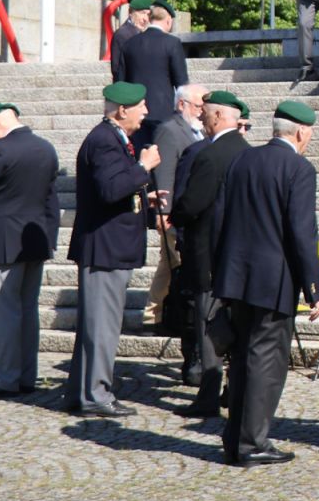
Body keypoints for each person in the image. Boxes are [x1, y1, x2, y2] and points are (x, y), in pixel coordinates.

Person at [210, 99, 319, 467]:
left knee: (243, 358)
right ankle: (251, 442)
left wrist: (220, 273)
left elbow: (219, 219)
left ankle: (235, 439)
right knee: (266, 364)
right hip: (273, 282)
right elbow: (302, 233)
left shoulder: (243, 160)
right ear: (301, 132)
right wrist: (315, 288)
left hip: (237, 278)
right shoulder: (299, 168)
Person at [65, 81, 162, 418]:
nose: (146, 112)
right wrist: (143, 168)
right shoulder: (105, 140)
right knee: (101, 328)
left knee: (98, 326)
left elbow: (114, 190)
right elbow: (109, 189)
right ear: (122, 110)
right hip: (104, 249)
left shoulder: (113, 138)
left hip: (109, 246)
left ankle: (84, 392)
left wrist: (144, 197)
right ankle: (95, 395)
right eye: (141, 106)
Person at [0, 102, 61, 399]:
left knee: (4, 314)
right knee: (28, 311)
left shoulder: (0, 150)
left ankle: (5, 378)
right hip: (35, 241)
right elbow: (51, 198)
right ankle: (26, 376)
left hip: (3, 242)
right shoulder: (45, 148)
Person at [170, 90, 249, 417]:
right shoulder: (247, 152)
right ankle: (234, 389)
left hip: (209, 257)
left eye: (205, 113)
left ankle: (208, 397)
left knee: (208, 327)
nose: (201, 117)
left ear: (218, 116)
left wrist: (174, 214)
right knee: (237, 327)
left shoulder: (210, 155)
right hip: (239, 257)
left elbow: (192, 204)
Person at [147, 83, 206, 331]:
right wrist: (163, 212)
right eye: (199, 106)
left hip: (187, 213)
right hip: (173, 213)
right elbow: (165, 172)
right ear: (182, 104)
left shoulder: (196, 130)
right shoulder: (170, 130)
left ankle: (156, 312)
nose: (203, 111)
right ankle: (154, 314)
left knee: (169, 263)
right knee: (173, 262)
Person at [112, 1, 190, 142]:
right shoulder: (172, 43)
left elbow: (120, 81)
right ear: (168, 21)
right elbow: (181, 83)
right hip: (163, 114)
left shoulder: (129, 44)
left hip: (134, 113)